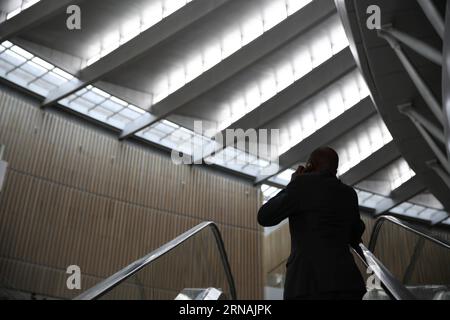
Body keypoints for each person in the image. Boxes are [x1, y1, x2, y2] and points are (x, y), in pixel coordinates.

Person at [258, 147, 366, 300]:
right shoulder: (349, 193)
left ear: (310, 165)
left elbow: (265, 216)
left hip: (307, 284)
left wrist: (293, 183)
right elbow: (356, 232)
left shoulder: (301, 185)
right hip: (348, 283)